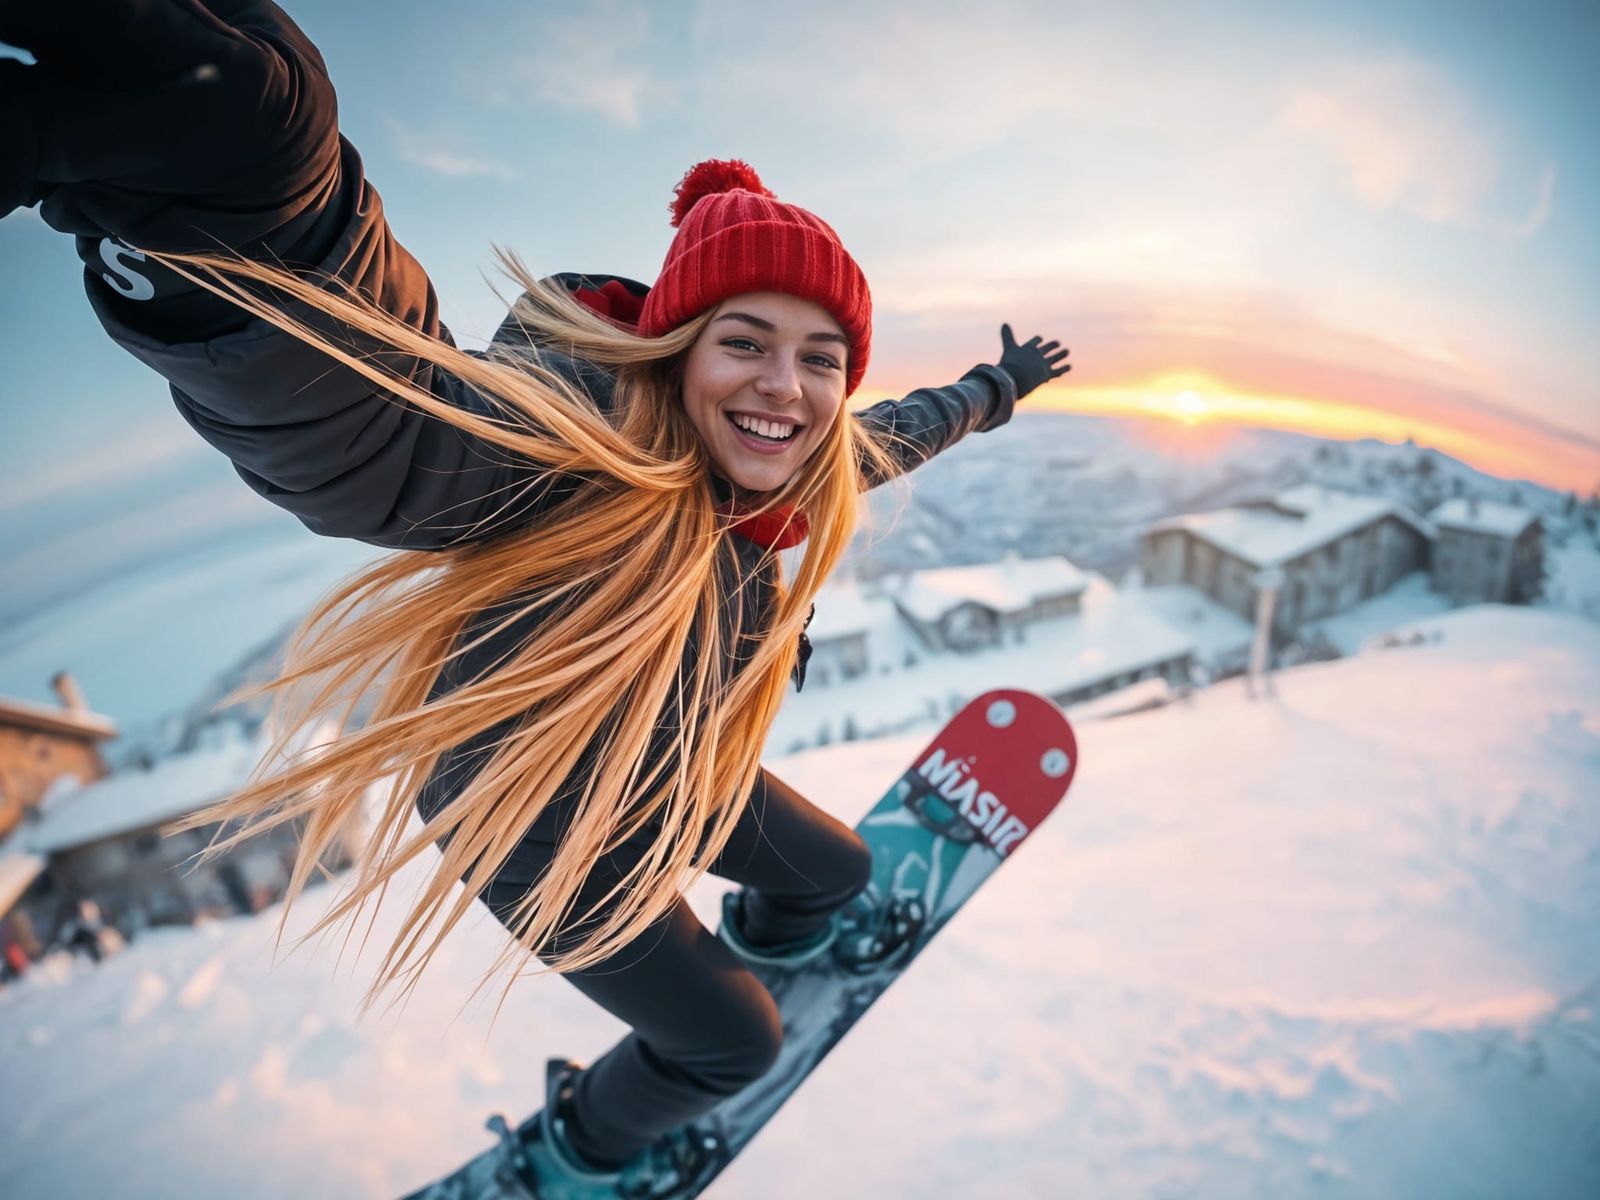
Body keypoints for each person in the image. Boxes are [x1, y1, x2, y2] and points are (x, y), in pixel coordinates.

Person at [2, 1, 1071, 1191]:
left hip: (675, 772)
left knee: (837, 879)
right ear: (676, 351)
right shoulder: (569, 451)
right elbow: (388, 424)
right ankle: (576, 1154)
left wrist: (992, 389)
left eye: (820, 358)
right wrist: (255, 224)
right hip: (538, 827)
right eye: (745, 342)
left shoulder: (782, 467)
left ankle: (767, 945)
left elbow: (889, 435)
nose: (787, 386)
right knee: (734, 1043)